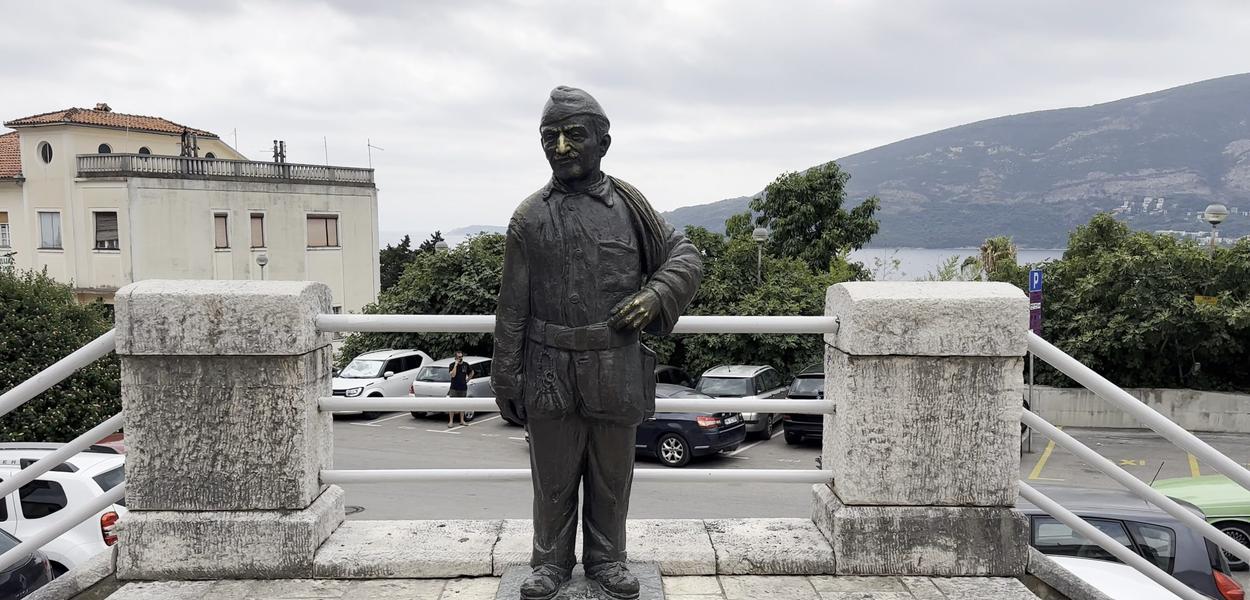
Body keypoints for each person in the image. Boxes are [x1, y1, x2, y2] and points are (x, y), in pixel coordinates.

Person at [492, 86, 703, 600]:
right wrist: (506, 376)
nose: (560, 146)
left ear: (603, 143)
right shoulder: (529, 217)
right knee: (553, 478)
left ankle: (608, 559)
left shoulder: (632, 208)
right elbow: (512, 306)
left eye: (574, 135)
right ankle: (550, 562)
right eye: (550, 136)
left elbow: (687, 257)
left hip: (615, 364)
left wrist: (656, 295)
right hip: (547, 366)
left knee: (612, 476)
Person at [447, 351, 474, 427]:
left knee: (462, 405)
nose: (460, 358)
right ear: (455, 357)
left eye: (461, 356)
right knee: (452, 405)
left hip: (463, 388)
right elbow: (453, 375)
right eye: (459, 357)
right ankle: (451, 421)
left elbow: (472, 372)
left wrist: (468, 380)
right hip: (454, 388)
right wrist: (456, 365)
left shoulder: (466, 365)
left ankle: (462, 420)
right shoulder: (452, 365)